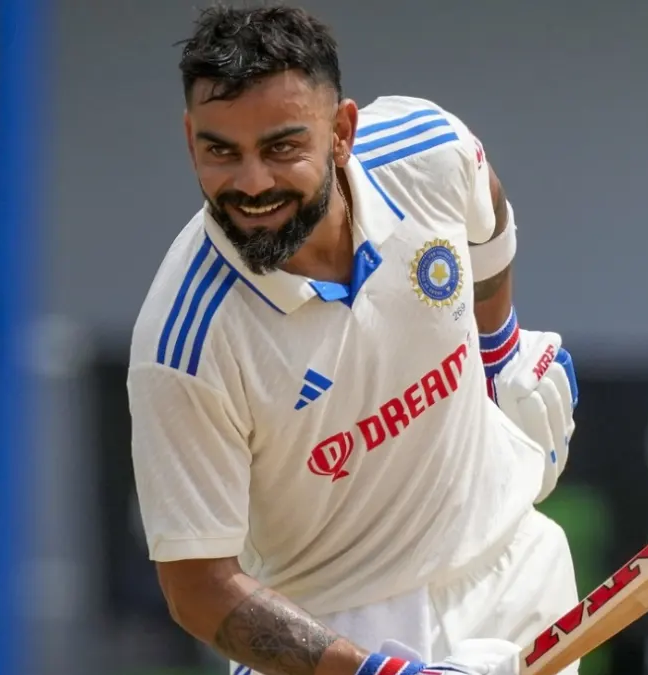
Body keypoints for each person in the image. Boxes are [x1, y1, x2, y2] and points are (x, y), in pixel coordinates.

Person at [126, 6, 582, 675]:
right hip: (335, 631)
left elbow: (487, 214)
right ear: (191, 137)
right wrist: (376, 672)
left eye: (282, 148)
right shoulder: (182, 345)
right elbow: (198, 588)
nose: (252, 183)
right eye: (221, 151)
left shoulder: (428, 152)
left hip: (513, 568)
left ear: (342, 132)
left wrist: (499, 352)